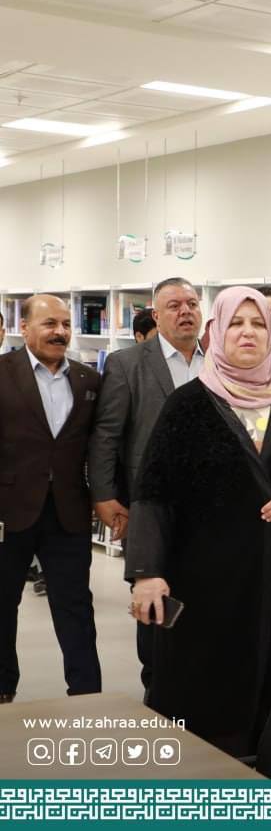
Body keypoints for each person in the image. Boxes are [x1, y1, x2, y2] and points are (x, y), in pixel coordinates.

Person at [125, 287, 271, 756]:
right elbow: (153, 493)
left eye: (258, 323)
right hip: (207, 580)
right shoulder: (189, 403)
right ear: (217, 332)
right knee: (205, 687)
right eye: (236, 323)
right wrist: (146, 573)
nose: (248, 333)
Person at [89, 276, 204, 690]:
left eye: (192, 303)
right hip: (150, 506)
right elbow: (106, 435)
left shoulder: (219, 361)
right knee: (154, 599)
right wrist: (104, 496)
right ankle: (157, 690)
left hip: (211, 509)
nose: (185, 311)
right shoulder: (127, 364)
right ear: (156, 315)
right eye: (174, 305)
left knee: (204, 602)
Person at [0, 294, 102, 703]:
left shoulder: (89, 379)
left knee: (75, 606)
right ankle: (3, 688)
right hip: (8, 512)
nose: (60, 332)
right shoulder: (2, 373)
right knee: (2, 605)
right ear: (24, 328)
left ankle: (87, 693)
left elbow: (98, 445)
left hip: (68, 513)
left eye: (65, 324)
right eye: (49, 324)